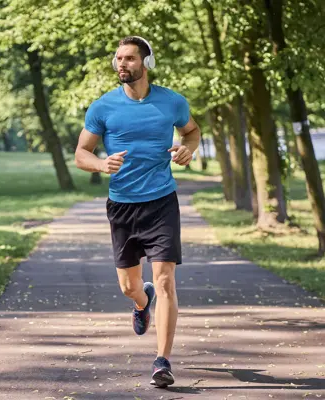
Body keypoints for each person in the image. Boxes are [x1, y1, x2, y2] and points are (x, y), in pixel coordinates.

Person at [75, 36, 201, 388]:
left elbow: (192, 131)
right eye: (117, 58)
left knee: (165, 281)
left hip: (161, 201)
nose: (121, 64)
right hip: (122, 205)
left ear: (146, 62)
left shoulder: (171, 101)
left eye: (129, 58)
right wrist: (101, 165)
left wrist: (187, 149)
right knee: (129, 286)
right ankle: (140, 303)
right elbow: (81, 153)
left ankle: (162, 361)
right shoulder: (103, 107)